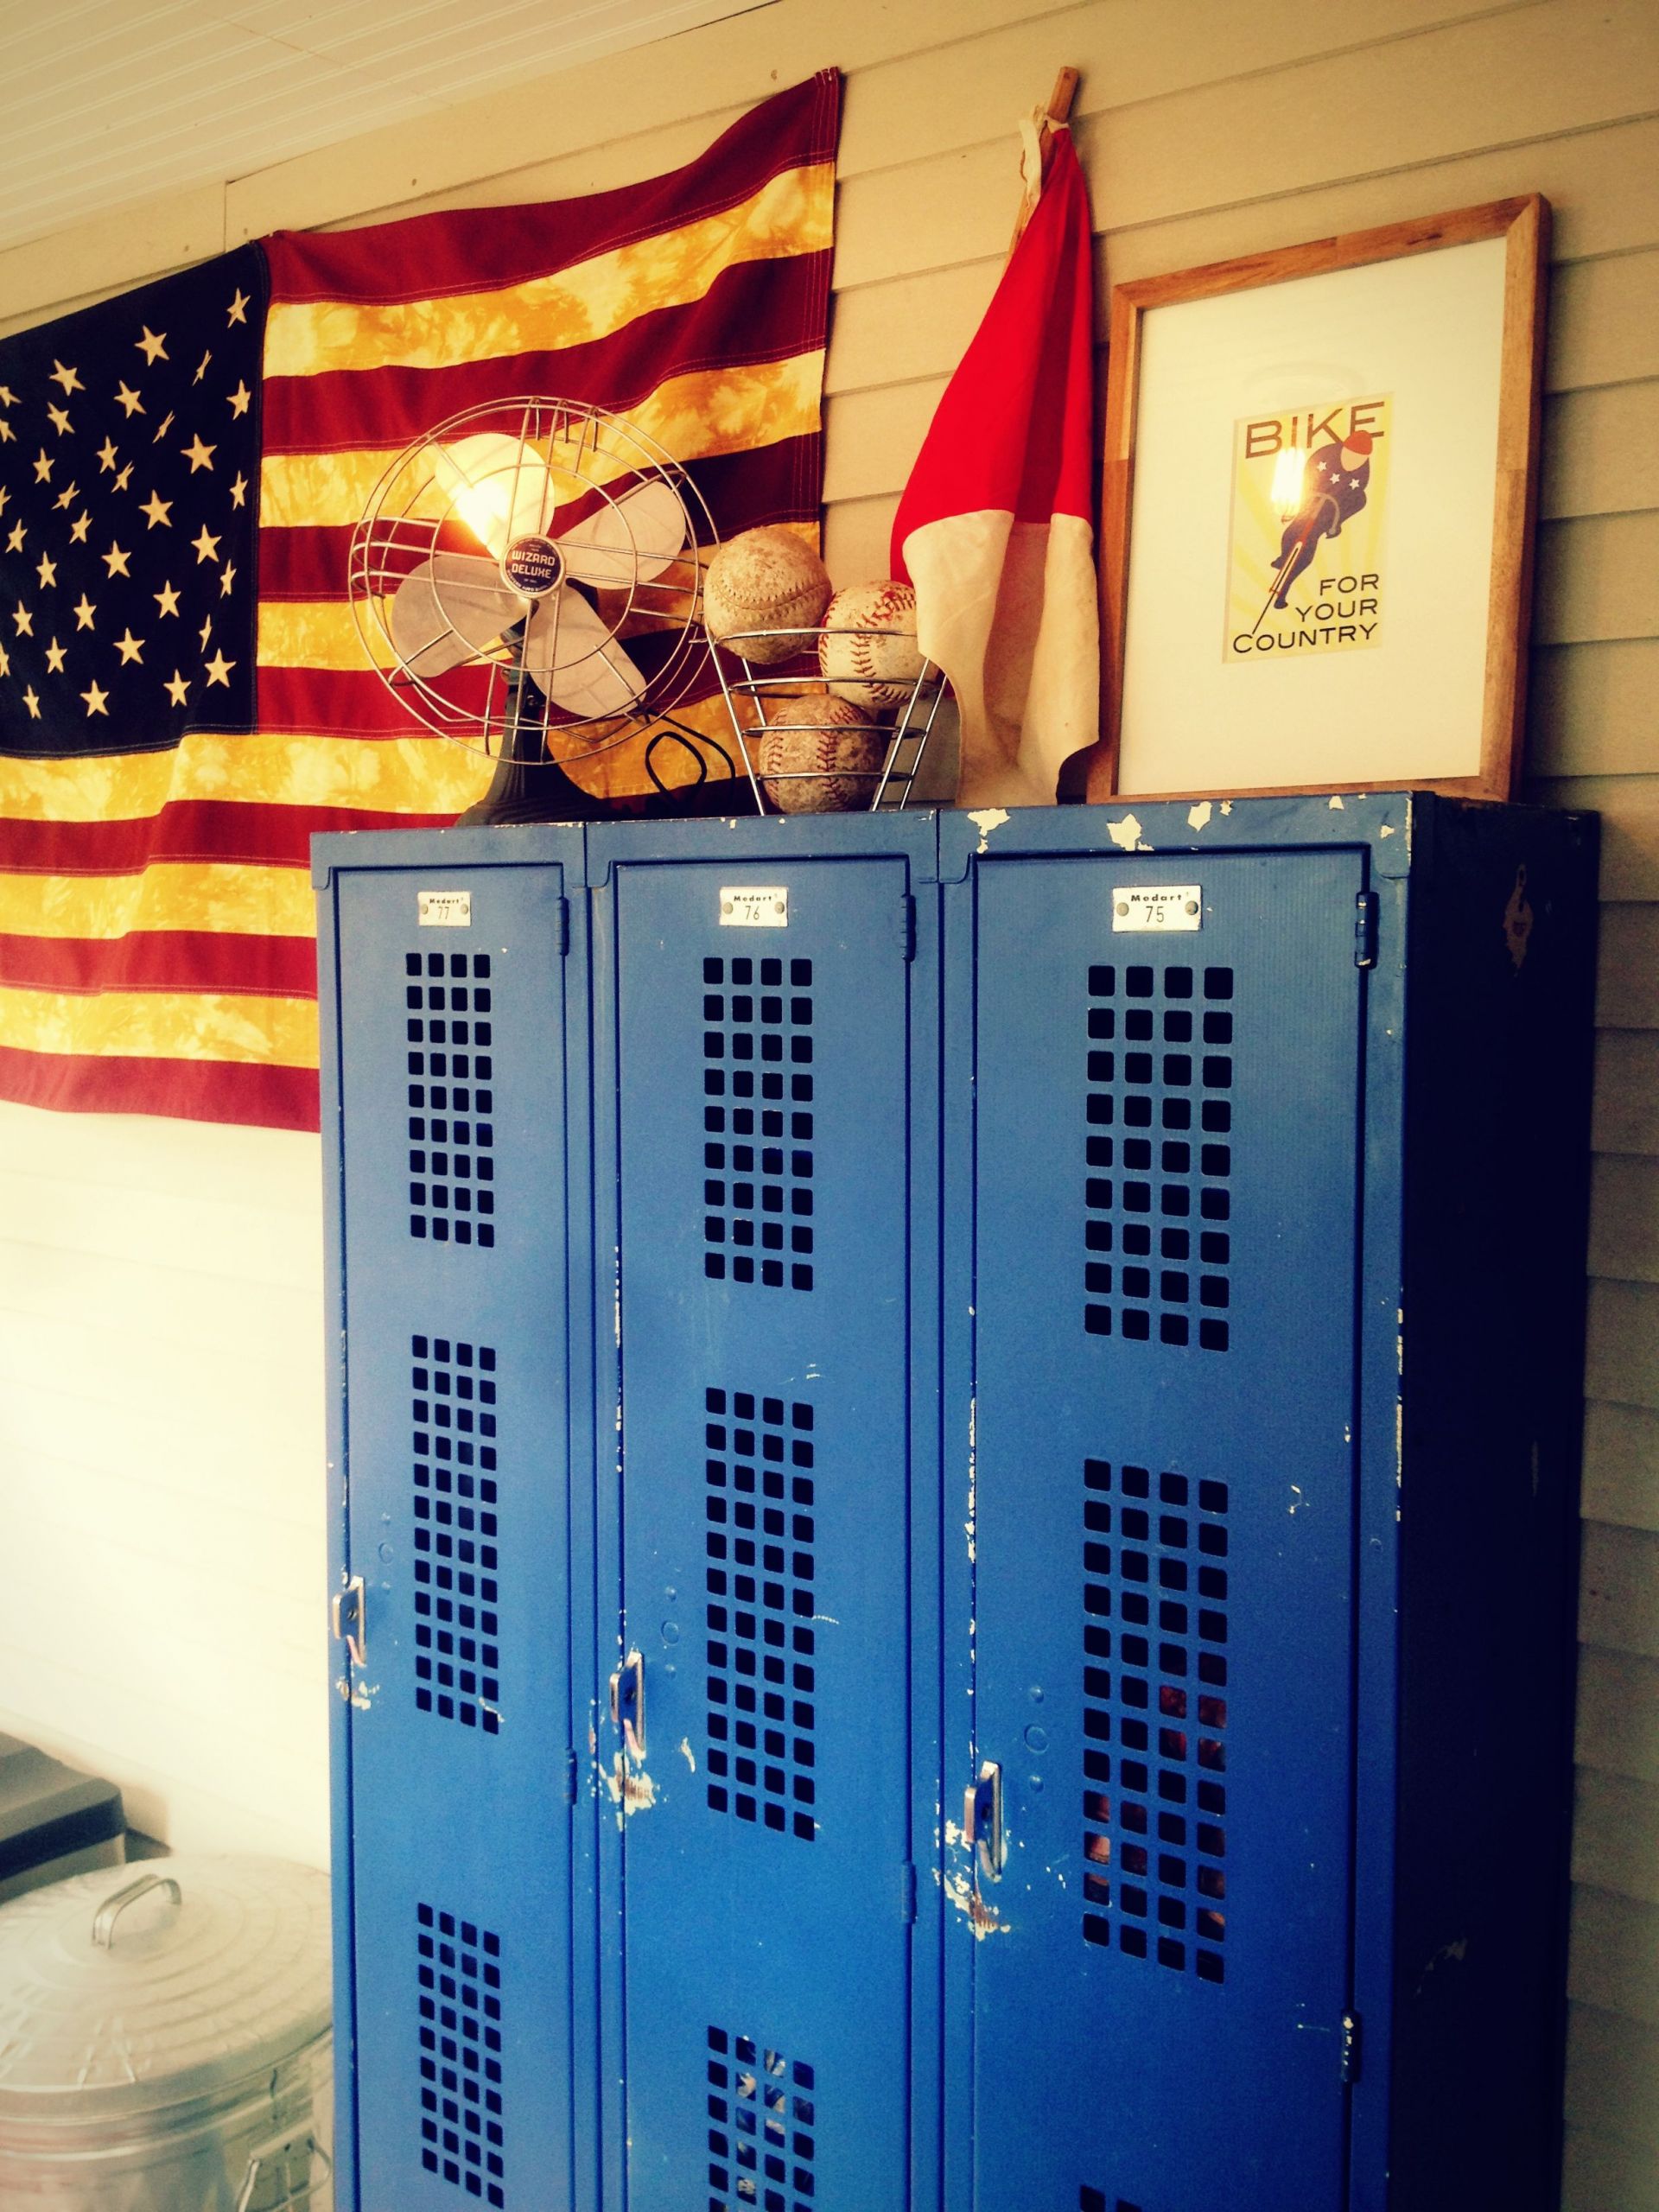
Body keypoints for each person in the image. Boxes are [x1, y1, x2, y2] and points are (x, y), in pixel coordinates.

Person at [1271, 429, 1374, 607]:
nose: (1354, 462)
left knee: (1306, 555)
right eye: (1351, 456)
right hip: (1309, 501)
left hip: (1330, 512)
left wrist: (1336, 523)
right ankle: (1282, 557)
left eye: (1359, 459)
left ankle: (1283, 592)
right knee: (1293, 531)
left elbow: (1357, 495)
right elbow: (1305, 475)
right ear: (1343, 449)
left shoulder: (1363, 470)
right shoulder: (1326, 454)